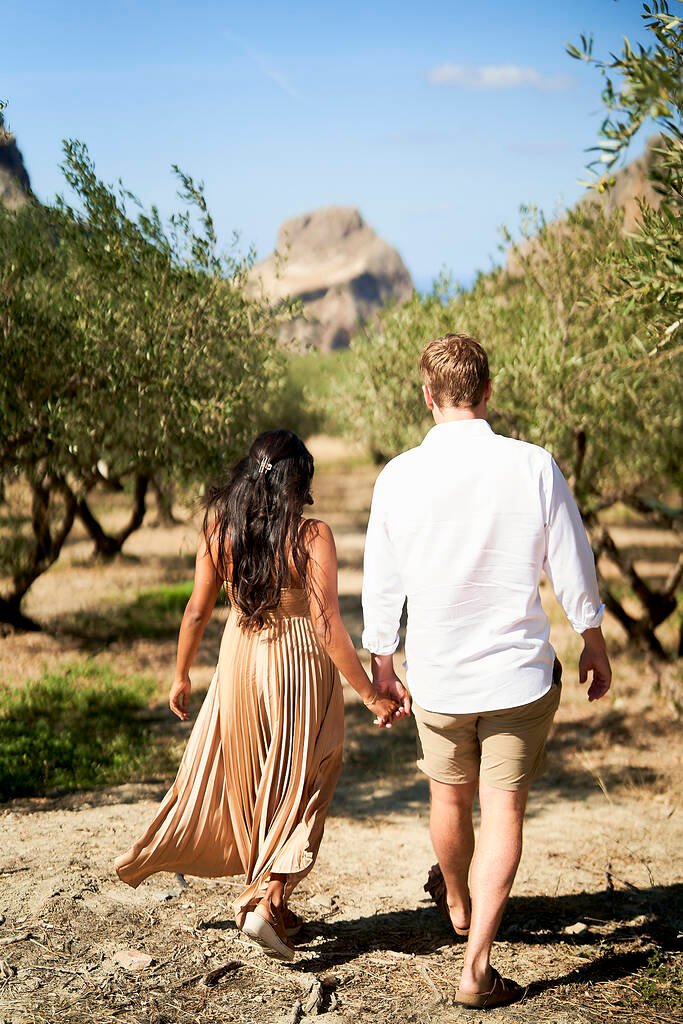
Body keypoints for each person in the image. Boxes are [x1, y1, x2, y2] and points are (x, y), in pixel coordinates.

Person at [361, 334, 612, 1009]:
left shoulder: (399, 475)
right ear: (488, 391)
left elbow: (381, 583)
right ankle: (476, 966)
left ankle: (458, 906)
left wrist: (381, 662)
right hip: (516, 678)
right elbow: (571, 562)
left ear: (427, 396)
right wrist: (592, 639)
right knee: (502, 810)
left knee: (448, 798)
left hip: (438, 677)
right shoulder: (532, 465)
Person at [115, 429, 397, 962]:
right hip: (296, 663)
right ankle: (267, 902)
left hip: (239, 657)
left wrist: (181, 675)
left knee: (255, 779)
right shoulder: (311, 536)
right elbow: (327, 623)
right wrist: (367, 693)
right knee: (307, 775)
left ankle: (274, 901)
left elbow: (197, 611)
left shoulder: (220, 526)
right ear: (296, 484)